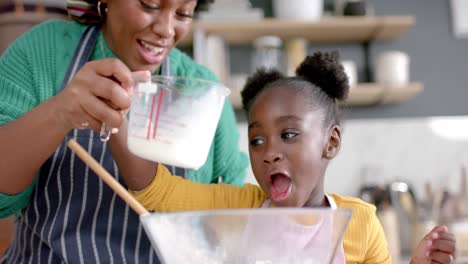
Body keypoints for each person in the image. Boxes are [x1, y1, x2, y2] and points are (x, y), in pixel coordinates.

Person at [123, 52, 456, 263]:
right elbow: (154, 189)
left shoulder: (362, 223)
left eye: (288, 135)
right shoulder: (237, 210)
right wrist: (118, 116)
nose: (269, 153)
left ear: (331, 142)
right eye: (256, 140)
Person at [0, 0, 248, 263]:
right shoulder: (43, 52)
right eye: (150, 5)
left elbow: (231, 230)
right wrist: (59, 113)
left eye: (183, 14)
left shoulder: (205, 94)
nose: (166, 30)